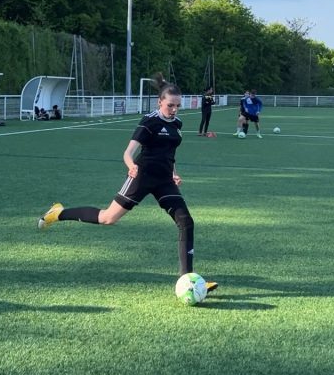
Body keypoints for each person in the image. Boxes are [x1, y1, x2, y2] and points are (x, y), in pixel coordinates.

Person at [37, 73, 217, 293]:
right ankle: (59, 212)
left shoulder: (177, 123)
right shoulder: (149, 121)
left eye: (178, 106)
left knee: (186, 222)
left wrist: (173, 173)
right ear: (160, 102)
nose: (174, 110)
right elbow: (128, 152)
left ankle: (187, 279)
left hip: (164, 180)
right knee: (107, 218)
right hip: (141, 176)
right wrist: (131, 165)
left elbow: (169, 153)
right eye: (170, 105)